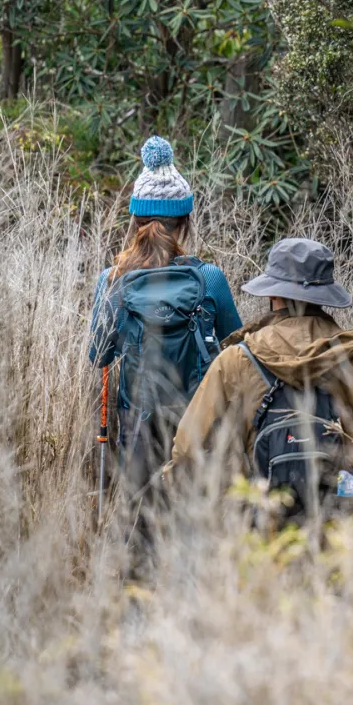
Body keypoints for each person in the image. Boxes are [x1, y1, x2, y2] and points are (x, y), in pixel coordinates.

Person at [169, 238, 353, 528]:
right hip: (343, 528)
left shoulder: (235, 360)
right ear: (324, 295)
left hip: (263, 523)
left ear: (273, 295)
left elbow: (188, 448)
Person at [89, 136, 242, 509]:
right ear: (185, 222)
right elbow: (236, 351)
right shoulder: (211, 279)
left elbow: (98, 356)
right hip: (198, 421)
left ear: (135, 220)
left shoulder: (111, 280)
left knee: (141, 523)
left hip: (137, 422)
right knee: (191, 521)